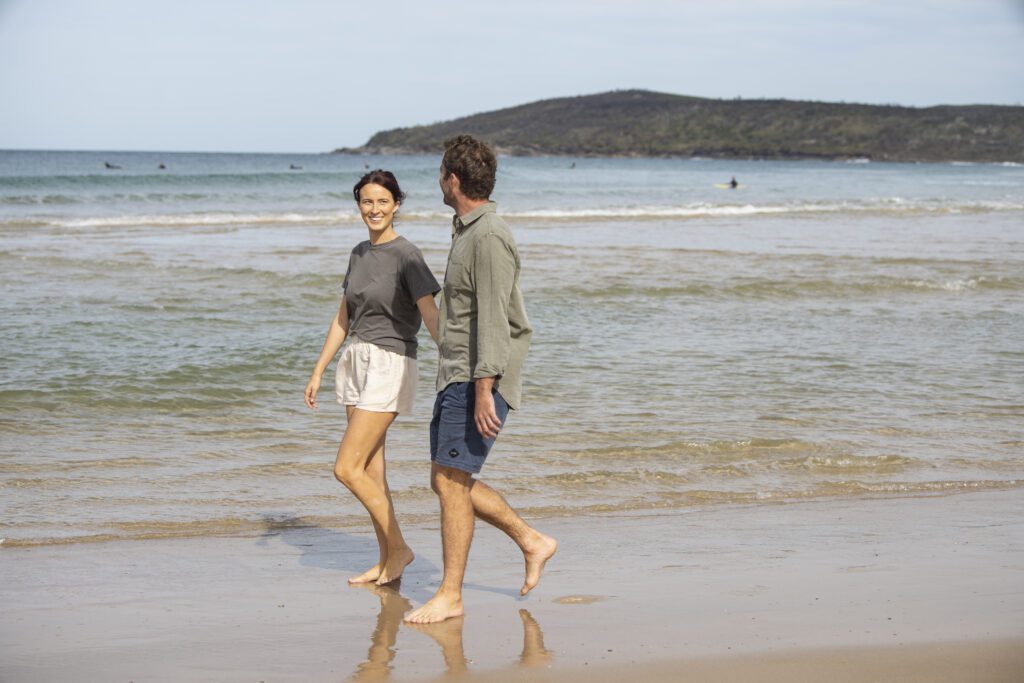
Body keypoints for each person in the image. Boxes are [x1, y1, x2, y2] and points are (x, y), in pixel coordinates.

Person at [405, 135, 557, 624]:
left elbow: (493, 318)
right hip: (461, 374)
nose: (438, 181)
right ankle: (533, 541)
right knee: (447, 480)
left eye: (440, 173)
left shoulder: (488, 236)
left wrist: (484, 390)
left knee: (451, 483)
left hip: (476, 379)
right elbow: (464, 314)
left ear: (453, 179)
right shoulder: (468, 232)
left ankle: (451, 594)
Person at [304, 169, 440, 585]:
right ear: (358, 205)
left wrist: (457, 359)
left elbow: (430, 314)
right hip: (356, 360)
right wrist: (319, 369)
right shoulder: (358, 253)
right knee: (373, 471)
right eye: (367, 201)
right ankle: (388, 561)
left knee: (346, 468)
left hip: (391, 362)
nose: (374, 209)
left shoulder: (408, 255)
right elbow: (344, 315)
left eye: (382, 201)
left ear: (396, 204)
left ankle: (398, 547)